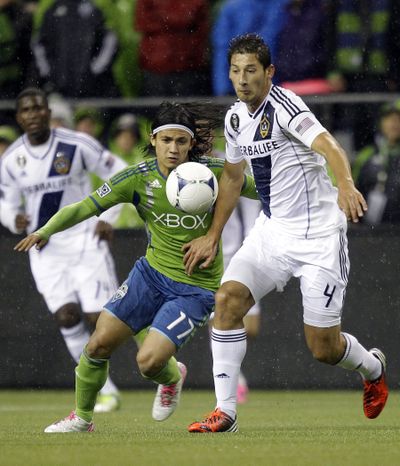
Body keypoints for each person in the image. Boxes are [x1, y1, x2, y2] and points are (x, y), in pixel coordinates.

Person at [184, 34, 389, 433]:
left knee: (323, 349)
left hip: (318, 239)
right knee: (226, 302)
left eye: (251, 71)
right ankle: (225, 412)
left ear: (269, 72)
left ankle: (372, 366)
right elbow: (231, 176)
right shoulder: (235, 118)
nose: (242, 80)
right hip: (272, 234)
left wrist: (345, 184)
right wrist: (213, 234)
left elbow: (329, 145)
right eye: (236, 71)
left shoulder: (286, 106)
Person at [13, 101, 258, 433]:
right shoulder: (137, 178)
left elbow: (269, 190)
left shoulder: (214, 174)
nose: (173, 149)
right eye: (167, 140)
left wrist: (324, 196)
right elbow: (85, 206)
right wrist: (45, 230)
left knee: (148, 363)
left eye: (181, 142)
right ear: (153, 139)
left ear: (191, 144)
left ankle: (172, 377)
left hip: (195, 288)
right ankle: (82, 418)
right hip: (149, 276)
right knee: (98, 344)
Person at [0, 87, 126, 413]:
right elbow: (6, 203)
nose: (33, 114)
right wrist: (14, 219)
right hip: (45, 248)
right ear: (19, 117)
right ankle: (105, 390)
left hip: (85, 240)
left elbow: (119, 172)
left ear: (47, 112)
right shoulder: (12, 160)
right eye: (26, 110)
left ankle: (161, 365)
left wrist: (109, 215)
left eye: (38, 108)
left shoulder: (76, 144)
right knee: (67, 316)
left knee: (102, 318)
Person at [352, 102, 400, 225]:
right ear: (381, 123)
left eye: (398, 119)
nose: (394, 123)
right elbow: (354, 189)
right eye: (389, 119)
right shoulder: (366, 154)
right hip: (370, 231)